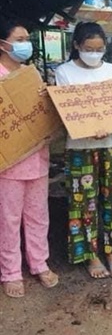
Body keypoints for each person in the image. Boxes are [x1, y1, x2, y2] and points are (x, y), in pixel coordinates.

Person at [56, 22, 112, 278]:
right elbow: (66, 113)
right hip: (81, 147)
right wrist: (89, 126)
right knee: (84, 204)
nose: (94, 53)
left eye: (99, 48)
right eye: (89, 48)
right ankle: (90, 255)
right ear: (77, 46)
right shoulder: (64, 72)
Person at [0, 18, 58, 298]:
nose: (26, 44)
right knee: (7, 219)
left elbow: (44, 116)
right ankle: (10, 271)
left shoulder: (31, 76)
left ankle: (39, 263)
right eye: (19, 39)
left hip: (38, 157)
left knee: (38, 216)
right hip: (7, 165)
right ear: (3, 44)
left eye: (27, 39)